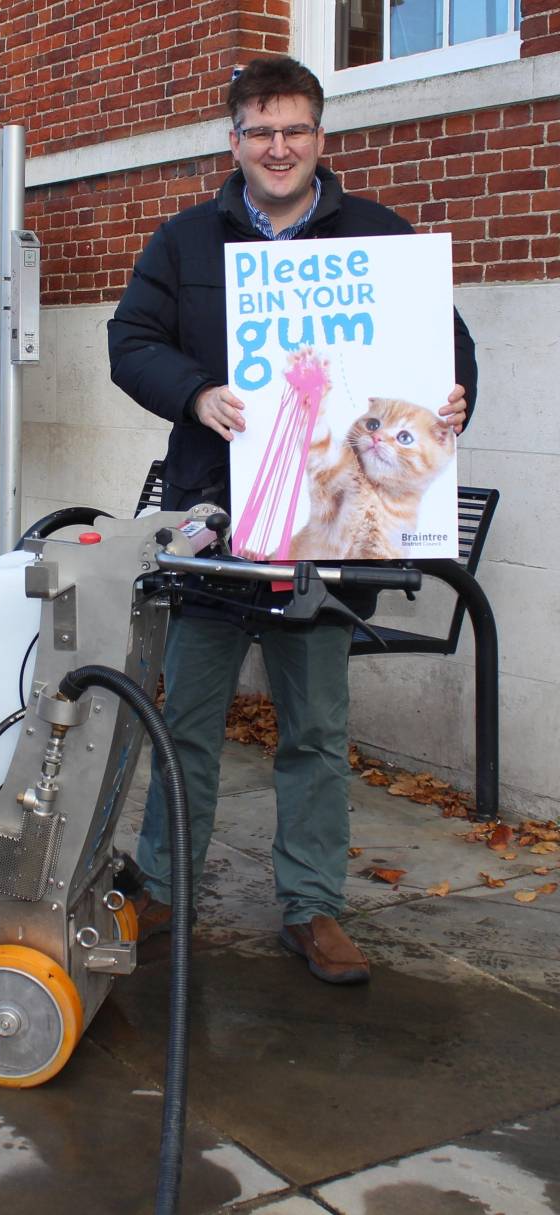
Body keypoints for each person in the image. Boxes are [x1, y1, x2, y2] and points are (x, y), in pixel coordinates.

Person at [107, 56, 478, 984]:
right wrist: (195, 395)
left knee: (313, 726)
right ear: (234, 140)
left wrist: (456, 398)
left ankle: (313, 906)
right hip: (215, 527)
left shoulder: (380, 238)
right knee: (185, 720)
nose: (279, 147)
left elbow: (447, 345)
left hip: (322, 536)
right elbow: (130, 343)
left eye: (296, 130)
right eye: (261, 131)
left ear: (322, 138)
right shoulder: (187, 242)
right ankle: (161, 886)